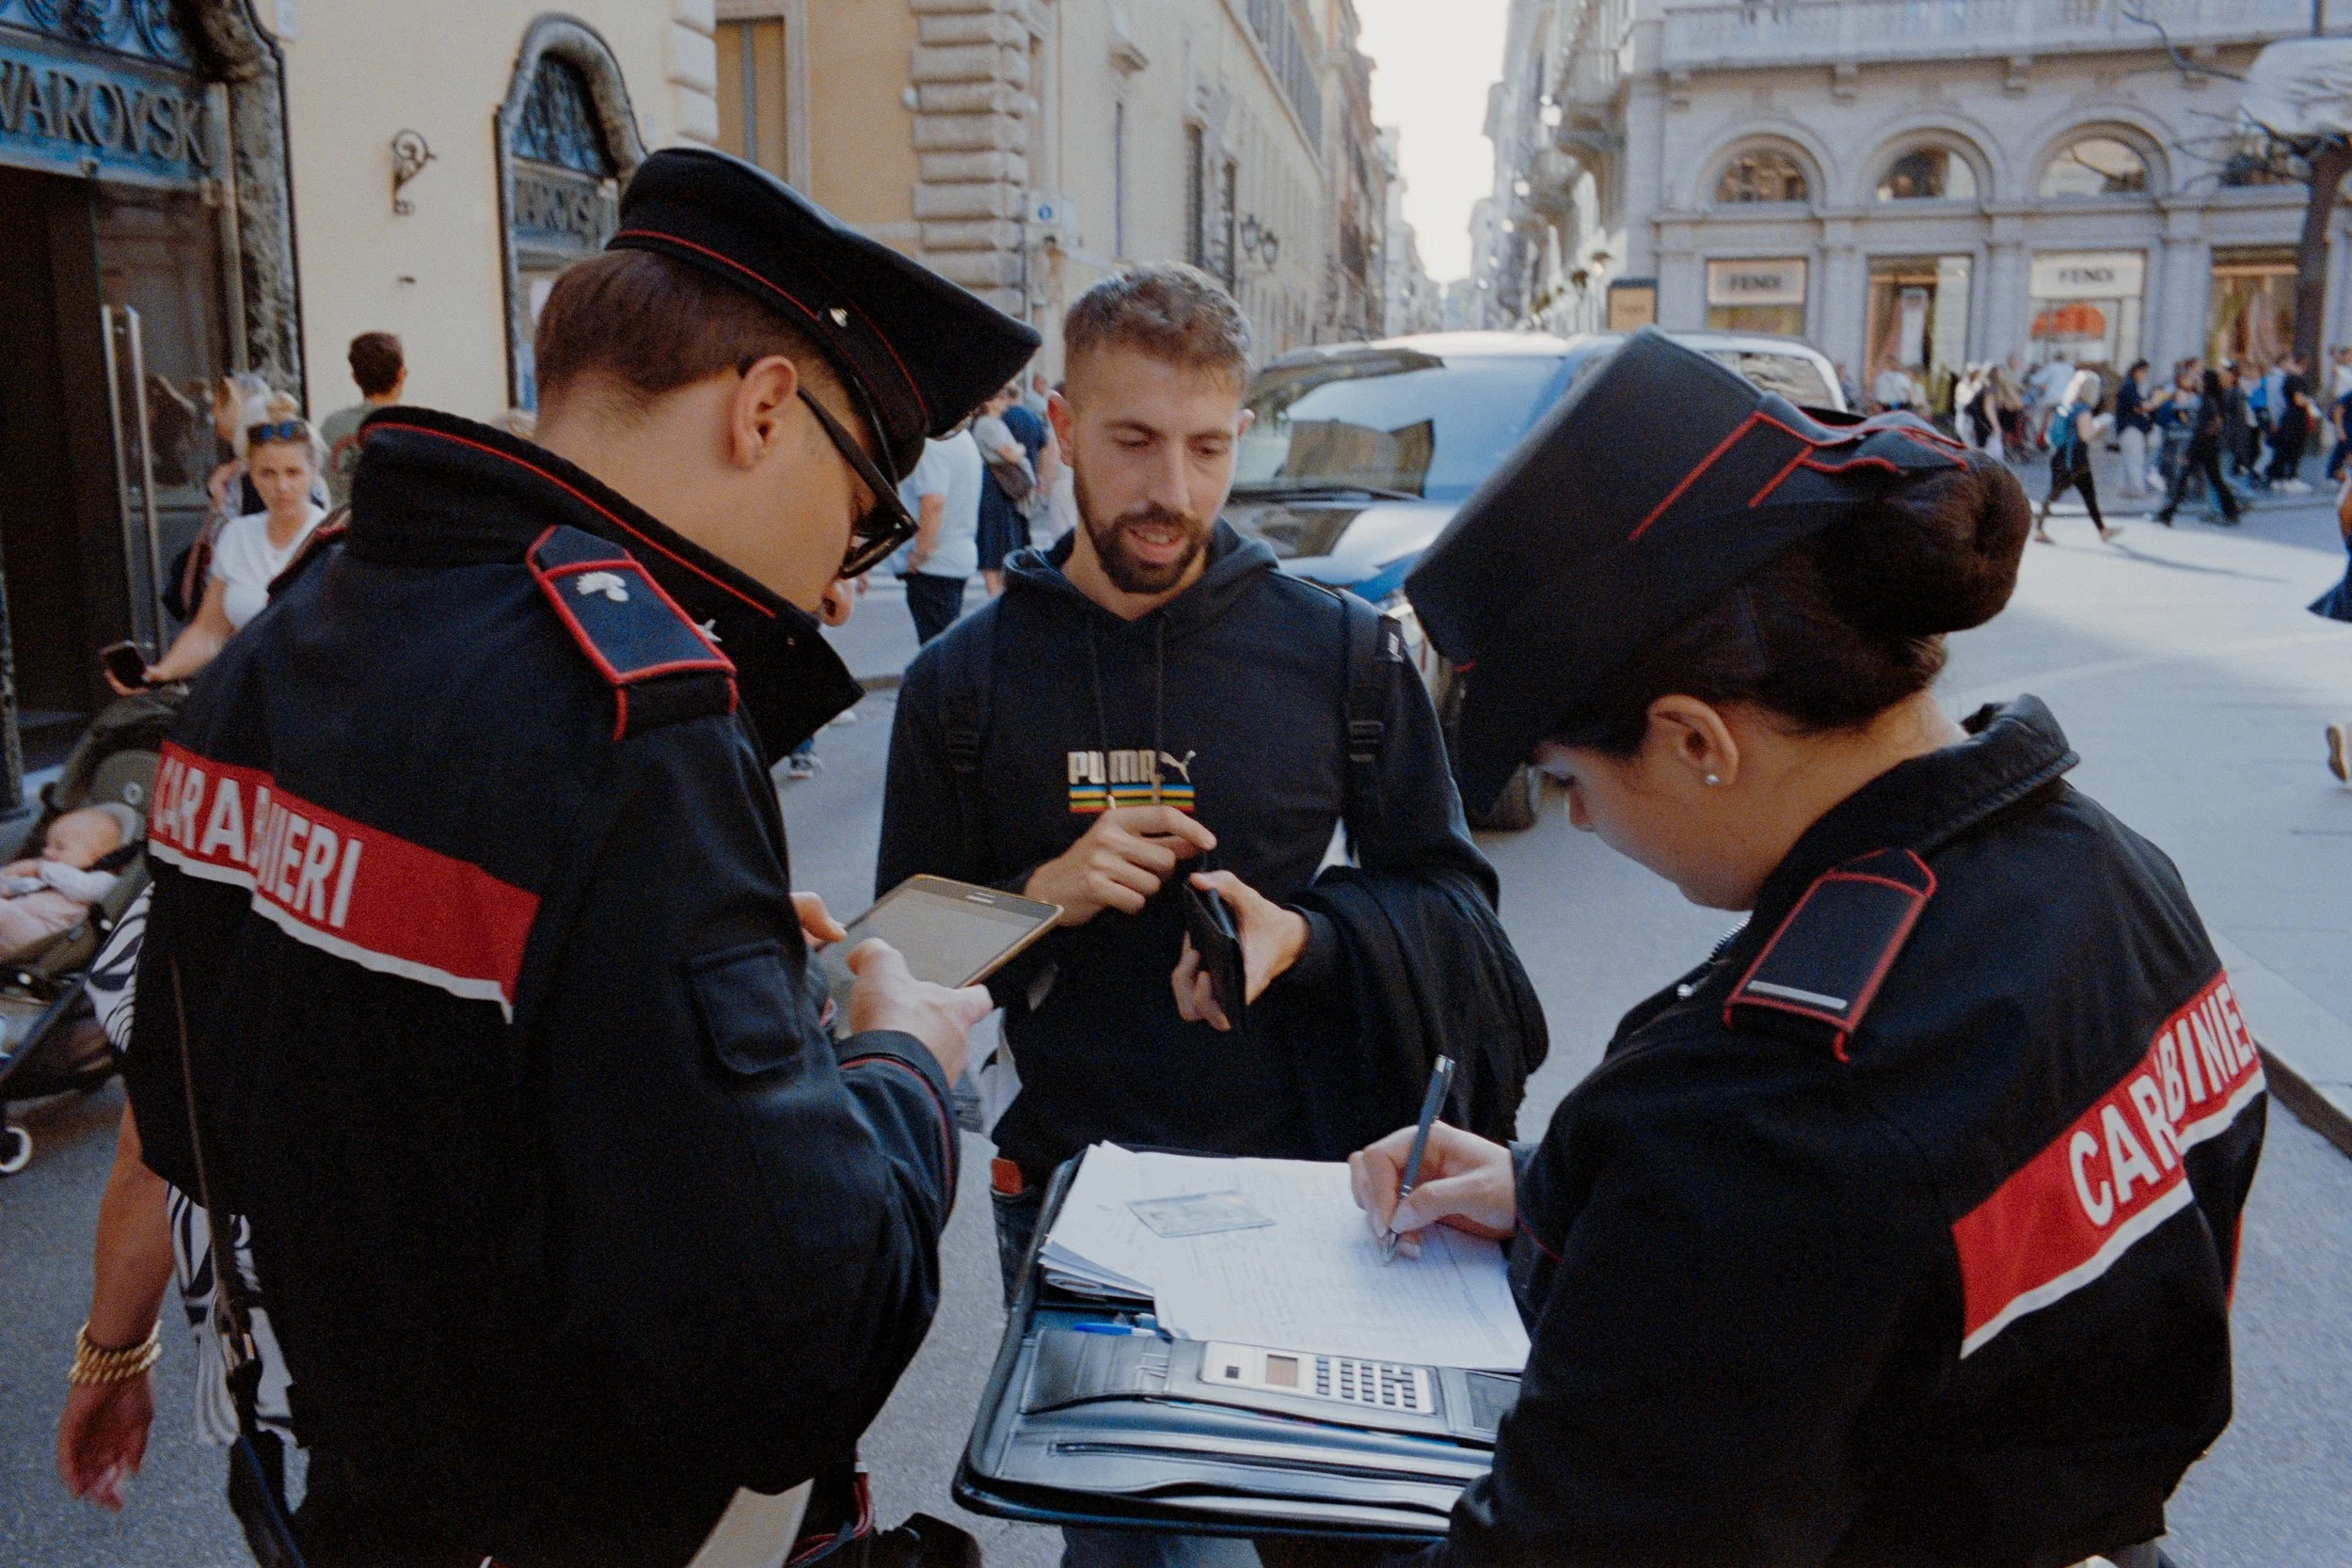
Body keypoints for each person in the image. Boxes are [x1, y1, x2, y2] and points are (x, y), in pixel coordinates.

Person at [116, 148, 1038, 1566]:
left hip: (368, 1500)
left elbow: (199, 1106)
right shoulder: (631, 723)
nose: (842, 581)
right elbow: (802, 1334)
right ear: (764, 409)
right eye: (863, 512)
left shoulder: (301, 620)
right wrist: (901, 1049)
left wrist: (692, 979)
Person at [1341, 327, 2266, 1567]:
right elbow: (1896, 1258)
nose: (1582, 821)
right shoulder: (2105, 868)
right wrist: (1557, 1192)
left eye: (1570, 778)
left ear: (1696, 741)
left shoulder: (1758, 1108)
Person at [879, 264, 1534, 1567]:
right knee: (1141, 1556)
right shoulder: (963, 682)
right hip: (1074, 1199)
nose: (1170, 490)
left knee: (1348, 1545)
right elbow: (896, 968)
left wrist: (1308, 937)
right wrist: (1044, 895)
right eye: (1132, 442)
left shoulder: (1339, 650)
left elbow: (1456, 906)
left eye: (1207, 448)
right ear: (1065, 430)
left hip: (1314, 1197)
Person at [110, 402, 329, 693]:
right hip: (249, 695)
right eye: (267, 473)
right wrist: (160, 673)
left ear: (314, 472)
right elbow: (209, 631)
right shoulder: (237, 536)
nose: (281, 486)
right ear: (250, 474)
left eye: (293, 472)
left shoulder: (333, 538)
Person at [0, 805, 134, 953]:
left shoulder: (103, 880)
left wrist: (41, 868)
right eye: (48, 845)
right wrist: (9, 877)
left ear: (99, 855)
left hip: (44, 934)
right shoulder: (53, 876)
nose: (46, 851)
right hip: (20, 921)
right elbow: (22, 887)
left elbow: (82, 888)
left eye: (60, 847)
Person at [898, 425, 985, 645]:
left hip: (935, 563)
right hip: (959, 554)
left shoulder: (933, 446)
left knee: (936, 650)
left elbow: (933, 502)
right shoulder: (965, 440)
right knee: (946, 645)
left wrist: (919, 553)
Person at [318, 331, 405, 503]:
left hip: (345, 519)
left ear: (355, 378)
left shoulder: (331, 426)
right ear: (400, 374)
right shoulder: (413, 427)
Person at [2033, 369, 2117, 546]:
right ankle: (2038, 528)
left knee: (2065, 492)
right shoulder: (2083, 409)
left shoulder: (2067, 405)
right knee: (2080, 494)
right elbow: (2085, 435)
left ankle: (2102, 530)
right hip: (2076, 458)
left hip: (2060, 454)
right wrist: (2100, 424)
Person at [2155, 367, 2245, 527]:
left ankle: (2168, 513)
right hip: (2209, 446)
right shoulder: (2214, 398)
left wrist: (2191, 451)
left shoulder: (2208, 401)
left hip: (2202, 446)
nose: (2198, 383)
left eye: (2201, 380)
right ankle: (2231, 510)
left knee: (2185, 480)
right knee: (2215, 481)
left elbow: (2206, 427)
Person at [972, 384, 1038, 596]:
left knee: (1003, 546)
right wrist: (1021, 449)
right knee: (995, 547)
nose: (1005, 401)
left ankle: (999, 594)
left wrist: (1017, 450)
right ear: (988, 401)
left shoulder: (995, 423)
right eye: (1000, 397)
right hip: (997, 490)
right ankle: (995, 595)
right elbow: (1010, 454)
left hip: (1003, 490)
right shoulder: (986, 424)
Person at [2112, 359, 2164, 499]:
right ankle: (2138, 488)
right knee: (2135, 458)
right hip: (2130, 427)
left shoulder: (2129, 385)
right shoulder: (2129, 385)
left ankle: (2123, 487)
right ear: (2137, 371)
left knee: (2127, 458)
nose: (2145, 375)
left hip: (2126, 427)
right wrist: (2156, 403)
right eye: (2143, 372)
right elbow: (2139, 406)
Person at [2266, 352, 2313, 493]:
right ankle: (2291, 479)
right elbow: (2298, 400)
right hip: (2296, 418)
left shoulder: (2285, 378)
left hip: (2288, 417)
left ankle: (2279, 478)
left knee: (2285, 449)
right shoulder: (2295, 379)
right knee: (2295, 448)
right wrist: (2309, 401)